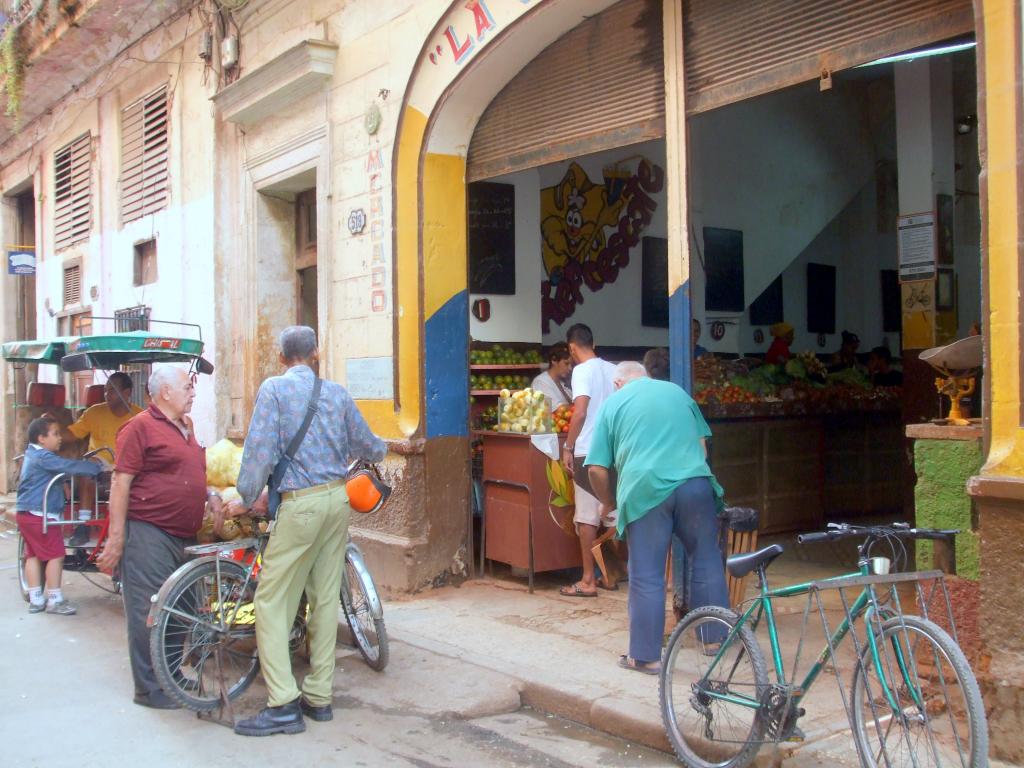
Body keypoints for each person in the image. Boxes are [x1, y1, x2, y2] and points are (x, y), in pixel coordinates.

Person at [231, 326, 387, 737]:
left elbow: (259, 451)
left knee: (270, 600)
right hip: (337, 501)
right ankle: (319, 696)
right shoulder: (335, 393)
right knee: (322, 598)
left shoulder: (274, 390)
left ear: (281, 358)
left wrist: (245, 495)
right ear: (316, 353)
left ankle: (282, 701)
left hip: (300, 505)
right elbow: (371, 445)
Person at [585, 361, 729, 674]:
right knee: (706, 558)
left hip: (645, 490)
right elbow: (702, 449)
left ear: (619, 383)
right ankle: (715, 641)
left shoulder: (614, 403)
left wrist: (607, 502)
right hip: (694, 483)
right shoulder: (678, 394)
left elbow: (596, 468)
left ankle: (646, 657)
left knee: (647, 573)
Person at [97, 366, 221, 710]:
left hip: (184, 533)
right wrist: (117, 539)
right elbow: (120, 483)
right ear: (164, 392)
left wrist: (209, 493)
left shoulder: (187, 426)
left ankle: (171, 674)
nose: (193, 392)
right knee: (149, 611)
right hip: (149, 531)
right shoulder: (138, 428)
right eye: (187, 387)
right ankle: (149, 689)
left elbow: (191, 470)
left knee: (182, 609)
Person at [15, 416, 104, 615]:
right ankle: (55, 599)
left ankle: (36, 599)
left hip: (26, 513)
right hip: (41, 515)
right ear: (41, 438)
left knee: (33, 556)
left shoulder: (31, 455)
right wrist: (97, 468)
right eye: (55, 434)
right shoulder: (44, 457)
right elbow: (68, 466)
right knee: (56, 555)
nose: (60, 438)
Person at [559, 323, 618, 597]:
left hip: (587, 451)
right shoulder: (613, 369)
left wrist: (568, 447)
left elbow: (580, 412)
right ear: (592, 343)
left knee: (586, 518)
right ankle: (613, 575)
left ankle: (587, 580)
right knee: (612, 514)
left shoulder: (581, 371)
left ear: (572, 348)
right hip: (612, 450)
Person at [65, 372, 141, 545]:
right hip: (100, 463)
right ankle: (84, 525)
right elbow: (71, 434)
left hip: (127, 465)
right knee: (88, 466)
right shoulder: (94, 412)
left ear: (127, 392)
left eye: (112, 391)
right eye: (105, 391)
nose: (107, 395)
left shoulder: (139, 416)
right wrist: (47, 430)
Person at [531, 342, 573, 409]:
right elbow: (558, 409)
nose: (570, 368)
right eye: (566, 363)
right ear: (554, 360)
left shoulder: (562, 383)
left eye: (571, 364)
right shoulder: (540, 382)